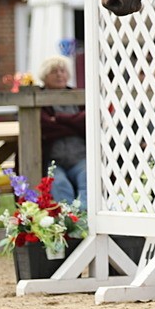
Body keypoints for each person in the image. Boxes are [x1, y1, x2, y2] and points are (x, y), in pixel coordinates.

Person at [37, 55, 87, 206]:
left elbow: (86, 121)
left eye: (62, 70)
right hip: (53, 160)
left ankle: (84, 220)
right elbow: (46, 126)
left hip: (81, 158)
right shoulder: (38, 99)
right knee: (59, 184)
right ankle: (67, 222)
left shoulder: (78, 96)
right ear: (44, 76)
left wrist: (58, 119)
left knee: (88, 180)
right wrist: (74, 124)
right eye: (54, 71)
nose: (59, 74)